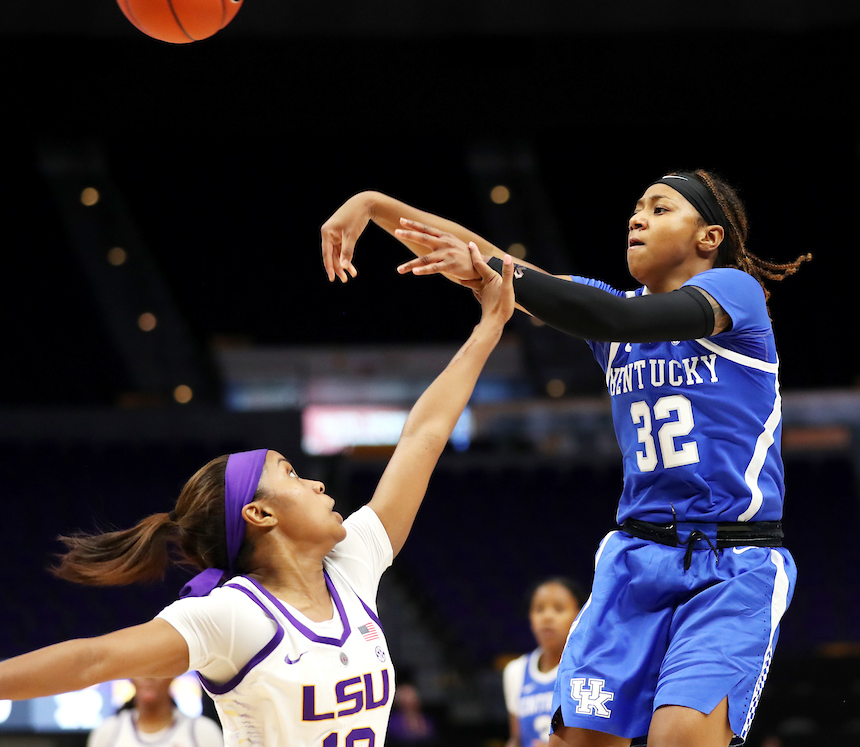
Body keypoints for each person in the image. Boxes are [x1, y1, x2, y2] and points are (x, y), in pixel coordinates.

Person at [320, 170, 810, 747]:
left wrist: (500, 271)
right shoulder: (609, 313)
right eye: (636, 207)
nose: (637, 218)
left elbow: (601, 313)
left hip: (730, 561)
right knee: (577, 740)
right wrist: (376, 205)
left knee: (679, 737)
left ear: (709, 236)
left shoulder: (735, 293)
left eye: (659, 208)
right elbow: (507, 267)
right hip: (636, 556)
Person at [0, 247, 516, 747]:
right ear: (260, 513)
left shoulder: (352, 564)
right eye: (291, 473)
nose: (316, 483)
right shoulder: (233, 616)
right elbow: (92, 660)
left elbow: (422, 436)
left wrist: (488, 327)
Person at [503, 578, 586, 747]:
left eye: (559, 608)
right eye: (539, 609)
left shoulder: (587, 669)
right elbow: (516, 738)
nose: (547, 617)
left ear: (579, 615)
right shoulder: (515, 670)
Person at [87, 677, 222, 747]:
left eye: (156, 669)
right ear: (129, 676)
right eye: (141, 668)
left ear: (172, 674)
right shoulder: (108, 732)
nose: (148, 677)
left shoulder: (203, 732)